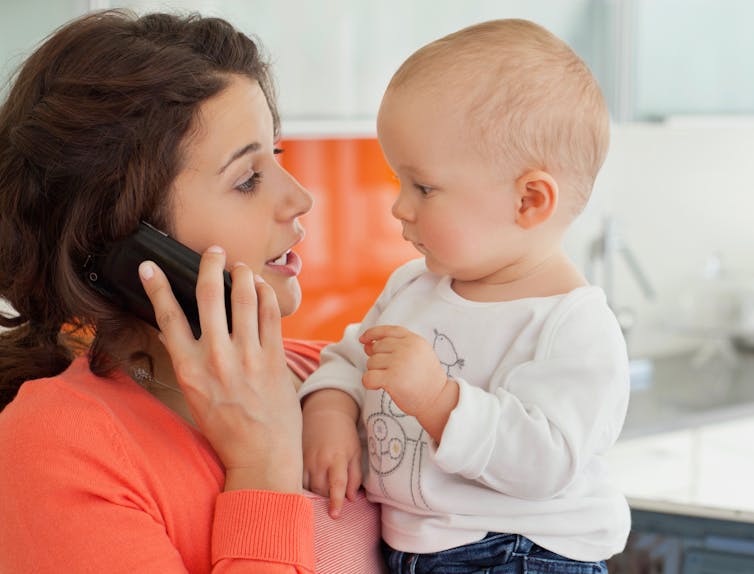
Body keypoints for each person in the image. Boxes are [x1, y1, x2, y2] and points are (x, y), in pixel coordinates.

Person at [0, 10, 382, 573]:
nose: (300, 198)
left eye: (275, 156)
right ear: (129, 248)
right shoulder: (56, 449)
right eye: (247, 179)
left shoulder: (330, 379)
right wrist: (262, 467)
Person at [300, 18, 631, 574]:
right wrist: (330, 411)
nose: (400, 207)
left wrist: (436, 399)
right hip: (414, 549)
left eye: (423, 187)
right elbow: (346, 361)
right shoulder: (412, 287)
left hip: (521, 552)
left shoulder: (572, 326)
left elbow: (543, 463)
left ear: (529, 200)